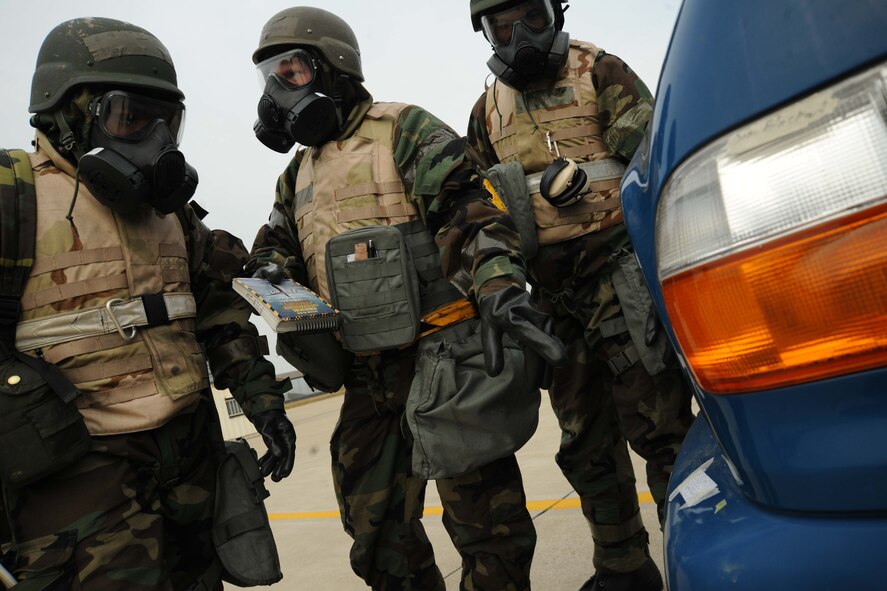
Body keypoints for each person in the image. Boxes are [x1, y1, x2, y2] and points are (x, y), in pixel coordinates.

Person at [245, 6, 567, 590]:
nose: (277, 91)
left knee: (489, 530)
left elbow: (468, 211)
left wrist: (497, 284)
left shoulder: (403, 128)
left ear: (332, 68)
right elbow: (273, 252)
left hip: (444, 358)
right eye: (270, 77)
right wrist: (267, 273)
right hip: (369, 377)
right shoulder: (296, 177)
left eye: (290, 72)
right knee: (374, 535)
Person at [0, 17, 296, 590]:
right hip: (78, 482)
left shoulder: (175, 219)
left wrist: (265, 404)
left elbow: (218, 315)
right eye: (129, 118)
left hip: (190, 462)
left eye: (167, 125)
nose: (154, 144)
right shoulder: (16, 200)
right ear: (67, 116)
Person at [466, 1, 695, 590]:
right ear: (486, 33)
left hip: (620, 278)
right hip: (552, 298)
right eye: (502, 26)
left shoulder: (599, 72)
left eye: (531, 18)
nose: (519, 37)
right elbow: (480, 210)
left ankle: (697, 563)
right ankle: (623, 567)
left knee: (662, 430)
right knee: (584, 442)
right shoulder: (486, 112)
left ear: (554, 13)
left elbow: (657, 157)